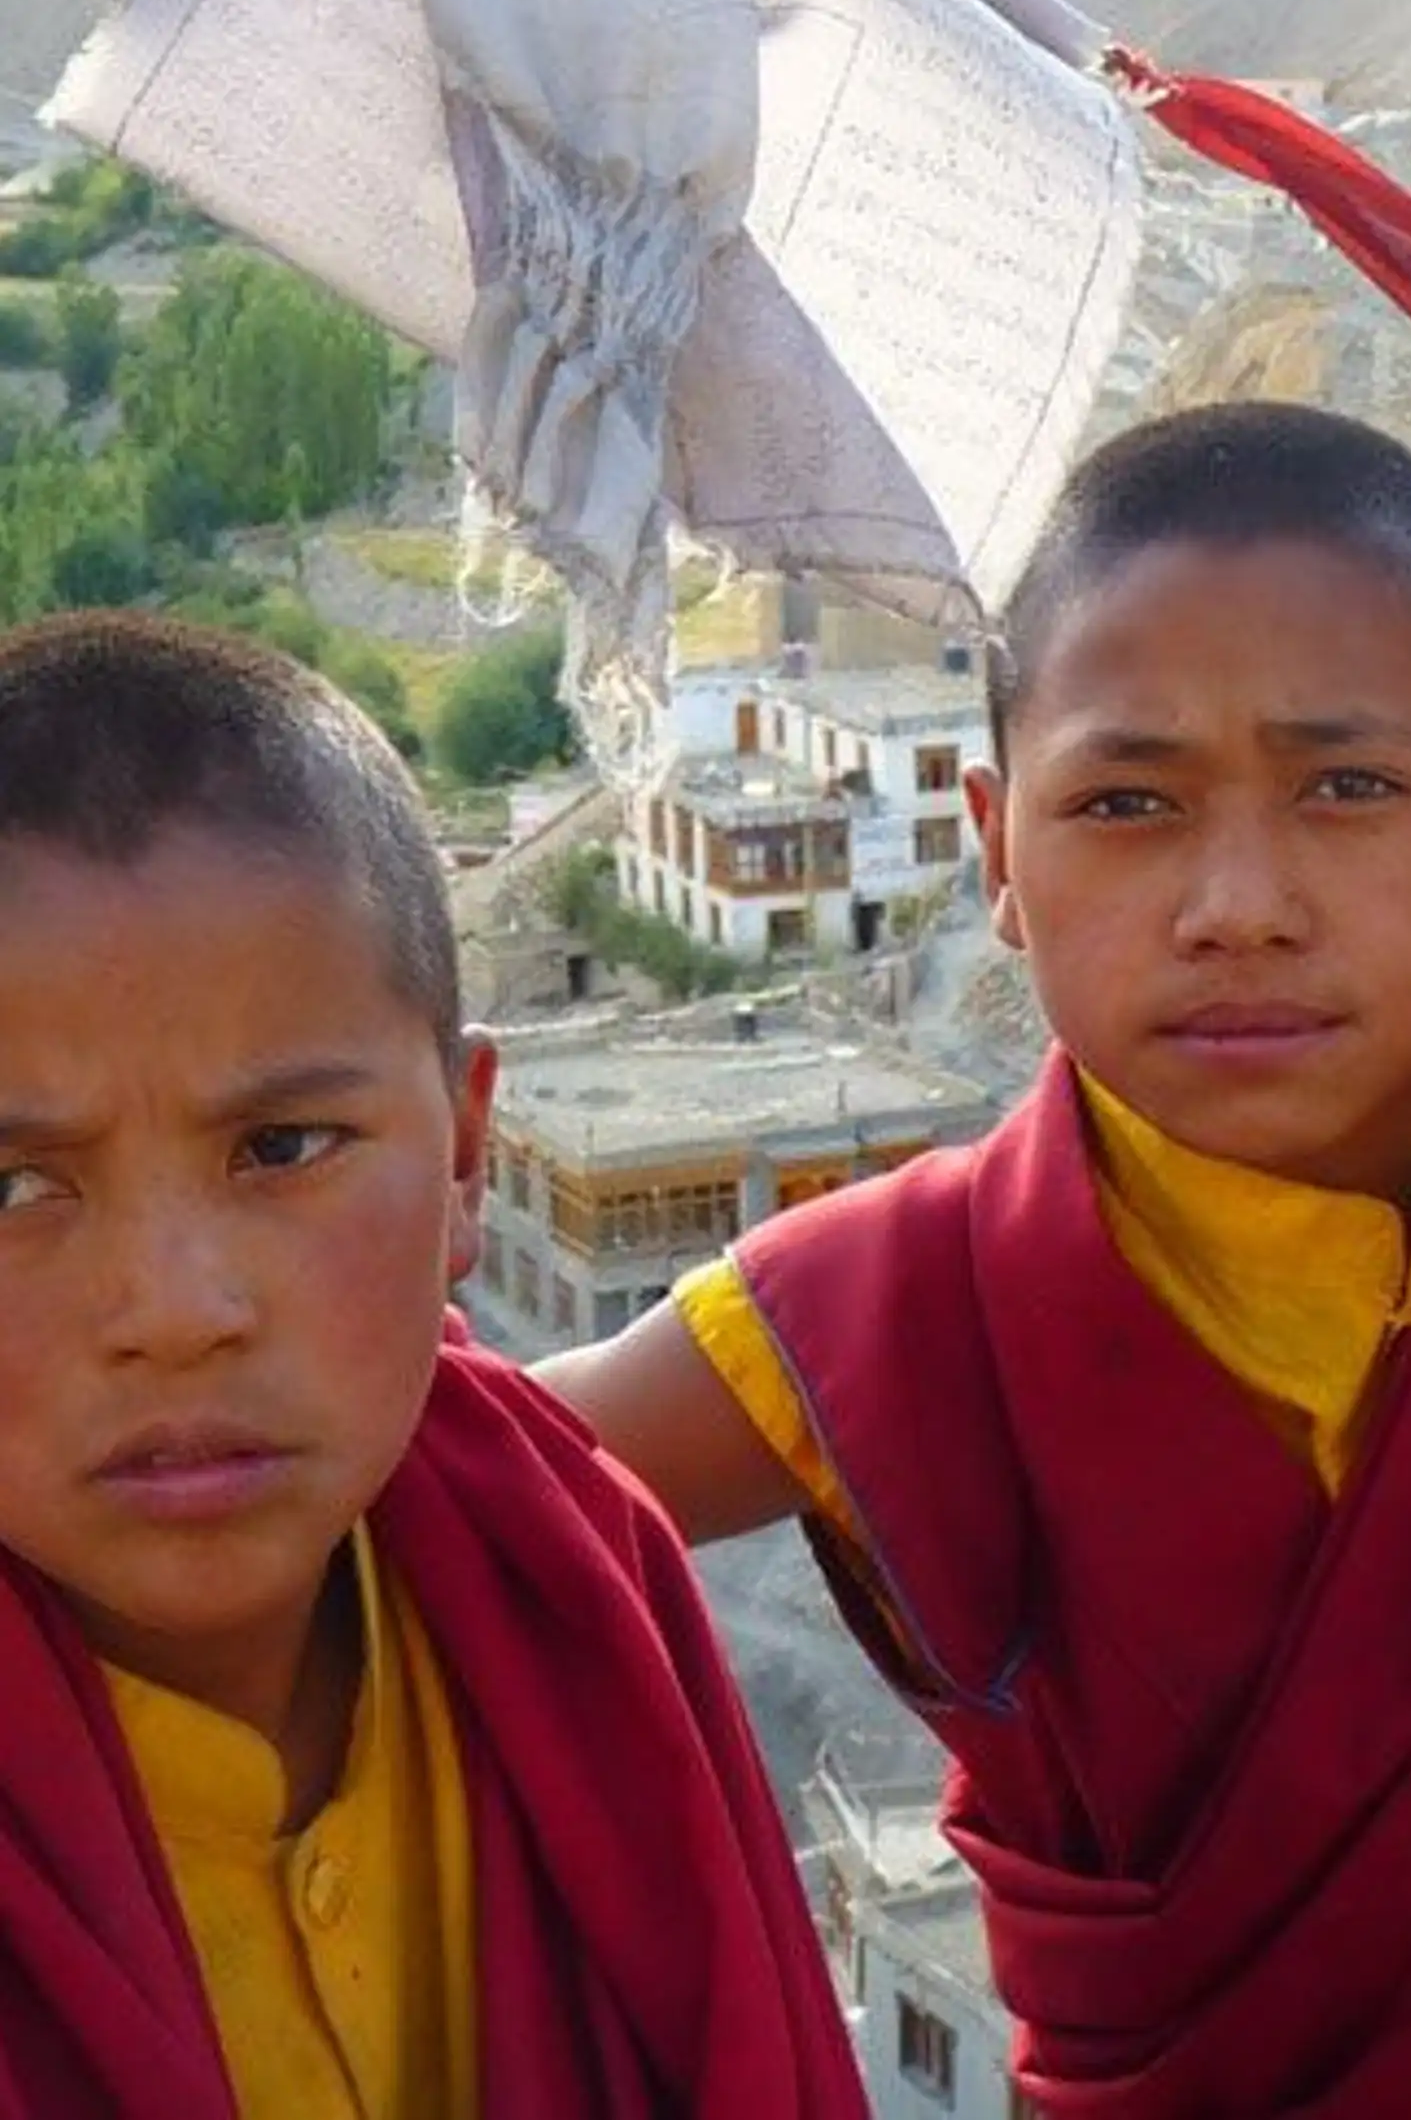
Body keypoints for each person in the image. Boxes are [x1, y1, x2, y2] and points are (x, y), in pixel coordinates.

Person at [545, 401, 1411, 2120]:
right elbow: (443, 1480)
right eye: (1128, 802)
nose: (1239, 901)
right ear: (998, 854)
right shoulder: (901, 1314)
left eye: (1349, 787)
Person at [0, 613, 864, 2120]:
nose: (176, 1307)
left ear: (469, 1155)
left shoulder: (582, 1582)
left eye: (281, 1148)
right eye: (15, 1187)